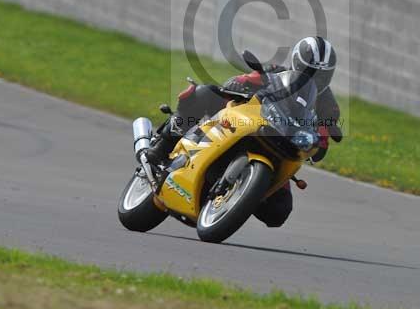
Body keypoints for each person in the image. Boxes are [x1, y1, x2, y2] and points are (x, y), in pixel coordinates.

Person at [144, 36, 342, 228]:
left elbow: (322, 143)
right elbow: (245, 80)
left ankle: (241, 194)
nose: (314, 77)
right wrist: (241, 83)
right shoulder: (276, 74)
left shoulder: (329, 107)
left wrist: (319, 140)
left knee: (278, 213)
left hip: (283, 147)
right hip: (250, 122)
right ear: (296, 63)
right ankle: (163, 144)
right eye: (308, 70)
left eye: (321, 74)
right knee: (206, 92)